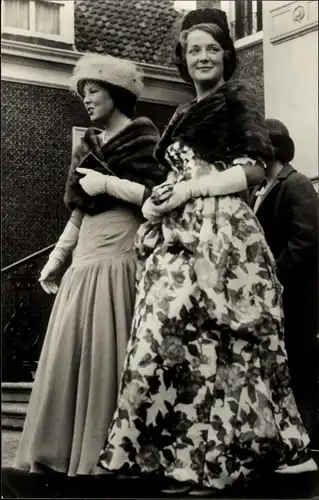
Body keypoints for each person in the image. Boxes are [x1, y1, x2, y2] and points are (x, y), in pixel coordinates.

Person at [98, 8, 310, 496]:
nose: (203, 57)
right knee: (166, 340)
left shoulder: (239, 100)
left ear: (226, 56)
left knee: (218, 343)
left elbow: (255, 168)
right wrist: (159, 202)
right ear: (183, 57)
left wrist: (194, 190)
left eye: (212, 48)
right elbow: (174, 176)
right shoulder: (179, 113)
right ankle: (178, 460)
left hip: (224, 235)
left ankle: (213, 466)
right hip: (179, 235)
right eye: (194, 49)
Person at [13, 53, 166, 477]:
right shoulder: (88, 145)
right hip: (84, 264)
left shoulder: (145, 141)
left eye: (93, 90)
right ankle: (61, 453)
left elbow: (158, 199)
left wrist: (109, 183)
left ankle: (107, 456)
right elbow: (79, 212)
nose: (87, 99)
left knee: (111, 355)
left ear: (116, 93)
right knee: (73, 353)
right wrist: (57, 258)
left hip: (121, 261)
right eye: (83, 92)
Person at [250, 118, 319, 472]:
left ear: (270, 147)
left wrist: (269, 278)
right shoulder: (264, 188)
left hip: (296, 300)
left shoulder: (297, 185)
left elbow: (304, 243)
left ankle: (306, 449)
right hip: (277, 301)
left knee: (299, 369)